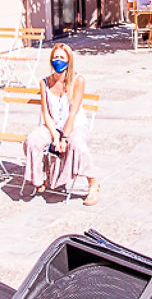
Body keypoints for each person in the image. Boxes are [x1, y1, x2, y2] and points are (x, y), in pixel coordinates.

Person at [24, 42, 100, 203]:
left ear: (69, 60)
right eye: (55, 57)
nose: (58, 60)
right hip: (54, 126)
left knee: (77, 144)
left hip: (75, 125)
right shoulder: (44, 82)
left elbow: (73, 113)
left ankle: (93, 184)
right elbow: (46, 113)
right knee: (32, 140)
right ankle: (39, 180)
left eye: (62, 57)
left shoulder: (78, 80)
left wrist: (64, 138)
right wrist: (54, 137)